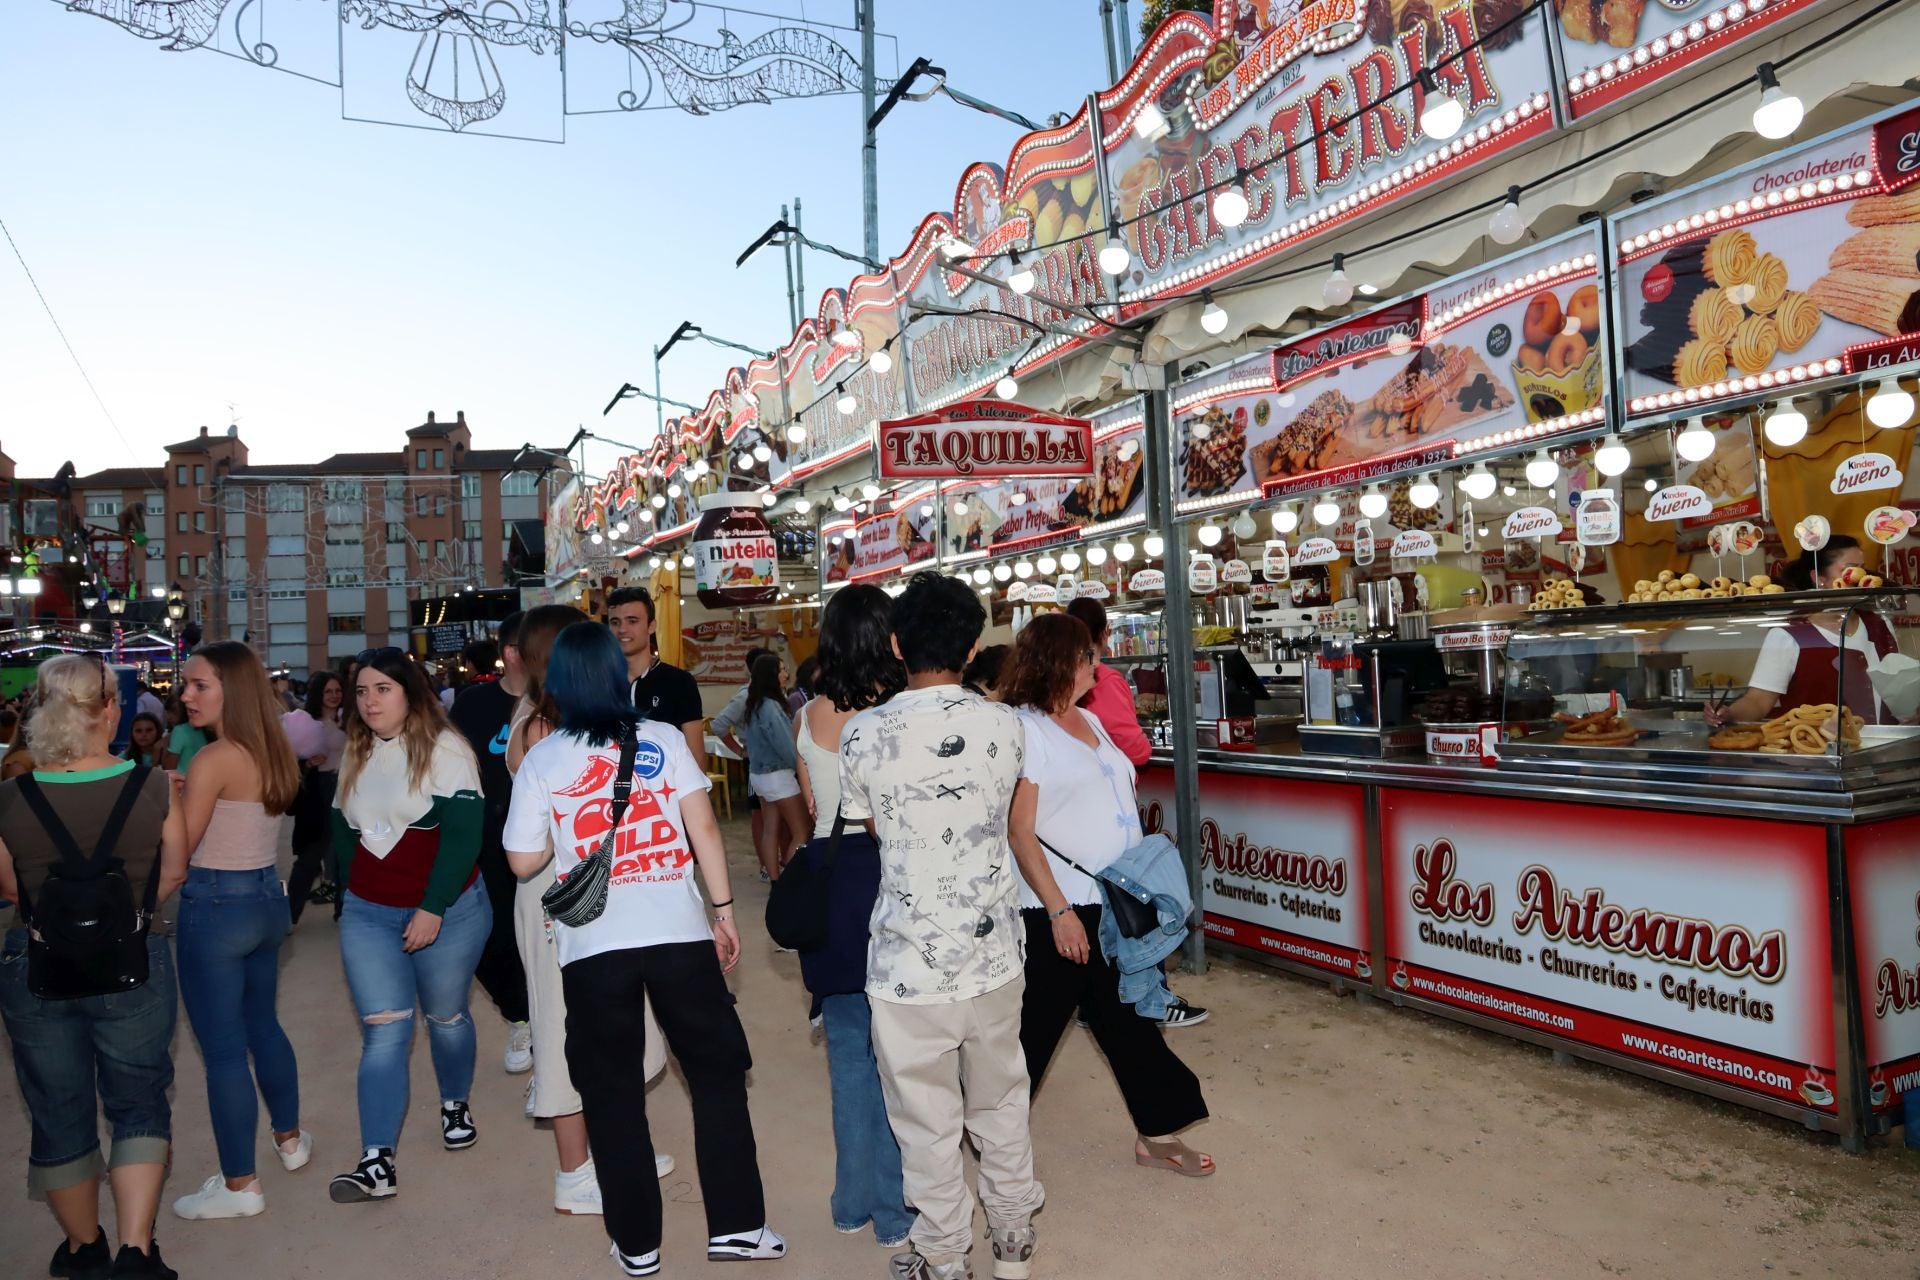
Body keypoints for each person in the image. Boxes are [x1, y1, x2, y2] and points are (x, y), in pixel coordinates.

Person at [504, 622, 785, 1275]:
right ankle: (739, 1228)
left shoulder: (544, 758)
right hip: (679, 937)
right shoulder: (660, 738)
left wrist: (561, 838)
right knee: (715, 1075)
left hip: (593, 946)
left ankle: (637, 1245)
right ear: (617, 674)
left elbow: (522, 861)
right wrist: (723, 911)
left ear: (559, 685)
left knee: (611, 1091)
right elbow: (705, 828)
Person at [838, 571, 1044, 1280]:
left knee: (925, 1126)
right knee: (1000, 1104)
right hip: (995, 957)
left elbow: (878, 831)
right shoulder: (1006, 723)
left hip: (905, 965)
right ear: (975, 644)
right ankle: (1013, 1243)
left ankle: (944, 1259)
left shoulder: (862, 734)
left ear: (896, 644)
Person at [998, 614, 1214, 1182]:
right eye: (1089, 656)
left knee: (1127, 1019)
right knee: (1033, 1029)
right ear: (1062, 662)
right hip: (1063, 907)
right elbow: (1020, 831)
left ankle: (1157, 1133)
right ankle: (990, 1136)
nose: (1100, 663)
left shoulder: (1088, 717)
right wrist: (1059, 911)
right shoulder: (1027, 731)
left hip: (1116, 902)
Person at [0, 655, 190, 1280]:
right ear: (109, 708)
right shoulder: (154, 785)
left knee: (58, 1106)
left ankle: (85, 1250)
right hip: (133, 961)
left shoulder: (10, 797)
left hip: (38, 967)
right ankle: (136, 1251)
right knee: (136, 1100)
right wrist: (123, 918)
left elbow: (9, 887)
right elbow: (174, 872)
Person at [507, 605, 674, 1214]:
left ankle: (612, 1147)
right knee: (563, 1024)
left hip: (590, 888)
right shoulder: (544, 729)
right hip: (563, 892)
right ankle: (575, 1171)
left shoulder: (556, 719)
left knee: (607, 1018)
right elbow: (541, 838)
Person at [327, 647, 489, 1203]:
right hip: (370, 915)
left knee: (445, 1017)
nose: (369, 701)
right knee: (385, 1030)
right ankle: (377, 1162)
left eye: (382, 689)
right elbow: (342, 831)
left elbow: (466, 837)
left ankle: (454, 1102)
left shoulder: (448, 751)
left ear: (410, 692)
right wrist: (356, 897)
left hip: (449, 911)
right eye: (362, 691)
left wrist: (432, 907)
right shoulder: (355, 748)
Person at [167, 642, 311, 1221]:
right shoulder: (272, 749)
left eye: (199, 685)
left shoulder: (214, 758)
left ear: (232, 688)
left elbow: (180, 851)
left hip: (217, 906)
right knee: (263, 1027)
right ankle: (292, 1141)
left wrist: (165, 803)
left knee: (224, 1051)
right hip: (264, 902)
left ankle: (240, 1185)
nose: (186, 695)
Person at [791, 585, 913, 1248]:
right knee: (900, 1059)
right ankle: (896, 1213)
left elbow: (815, 809)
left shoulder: (808, 714)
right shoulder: (899, 715)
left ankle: (850, 1201)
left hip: (829, 881)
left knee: (847, 1053)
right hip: (890, 877)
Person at [448, 622, 533, 1076]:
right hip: (486, 842)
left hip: (545, 846)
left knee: (548, 938)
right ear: (511, 652)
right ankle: (521, 1017)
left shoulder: (557, 702)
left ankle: (552, 1027)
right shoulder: (473, 703)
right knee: (489, 940)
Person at [1708, 536, 1906, 726]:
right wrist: (1728, 713)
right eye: (1850, 570)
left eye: (1862, 569)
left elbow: (1897, 688)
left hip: (1882, 748)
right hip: (1818, 752)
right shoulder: (1788, 635)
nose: (1861, 578)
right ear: (1819, 578)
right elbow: (1758, 701)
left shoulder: (1880, 624)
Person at [606, 586, 705, 767]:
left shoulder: (679, 682)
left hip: (665, 792)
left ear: (651, 626)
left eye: (632, 621)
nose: (622, 629)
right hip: (606, 792)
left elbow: (695, 758)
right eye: (615, 622)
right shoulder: (597, 683)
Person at [283, 670, 348, 921]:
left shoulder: (350, 719)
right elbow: (291, 762)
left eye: (337, 691)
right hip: (319, 789)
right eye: (328, 691)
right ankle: (289, 913)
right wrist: (308, 764)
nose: (333, 696)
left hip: (346, 785)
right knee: (311, 855)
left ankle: (343, 910)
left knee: (345, 852)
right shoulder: (307, 722)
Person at [740, 653, 809, 881]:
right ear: (771, 675)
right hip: (778, 776)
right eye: (781, 670)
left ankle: (775, 882)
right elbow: (787, 747)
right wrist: (803, 772)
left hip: (759, 777)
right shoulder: (770, 707)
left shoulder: (755, 704)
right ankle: (788, 881)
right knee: (802, 831)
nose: (786, 674)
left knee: (771, 829)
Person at [712, 646, 777, 880]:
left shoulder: (770, 694)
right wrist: (740, 751)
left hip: (775, 763)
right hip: (756, 762)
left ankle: (775, 862)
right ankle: (764, 866)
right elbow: (718, 725)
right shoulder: (745, 696)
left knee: (774, 815)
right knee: (760, 815)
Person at [1064, 598, 1152, 767]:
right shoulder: (1106, 681)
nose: (1093, 665)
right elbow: (1135, 750)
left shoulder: (1060, 675)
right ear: (1106, 632)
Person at [162, 698, 208, 774]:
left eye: (173, 712)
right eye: (167, 712)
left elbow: (169, 767)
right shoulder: (205, 728)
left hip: (182, 781)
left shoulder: (180, 730)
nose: (169, 717)